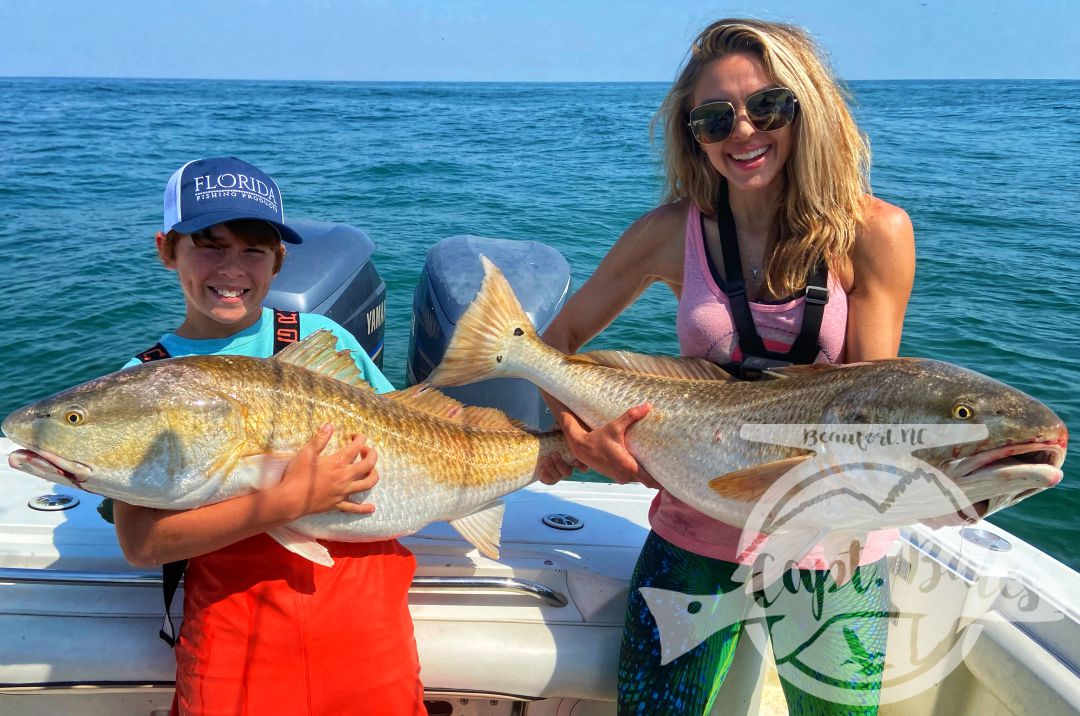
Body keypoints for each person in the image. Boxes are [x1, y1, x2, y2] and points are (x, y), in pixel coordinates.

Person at [538, 19, 914, 716]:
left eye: (769, 106)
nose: (743, 132)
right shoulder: (667, 232)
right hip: (692, 533)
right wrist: (579, 437)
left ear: (810, 108)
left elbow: (872, 405)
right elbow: (557, 340)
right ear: (694, 134)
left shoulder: (875, 233)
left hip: (831, 551)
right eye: (715, 118)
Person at [112, 157, 426, 716]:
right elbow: (142, 544)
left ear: (279, 262)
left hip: (367, 625)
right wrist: (284, 502)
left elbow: (407, 432)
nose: (232, 267)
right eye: (208, 244)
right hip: (236, 635)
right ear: (166, 250)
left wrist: (549, 449)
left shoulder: (320, 337)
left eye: (253, 250)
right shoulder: (145, 383)